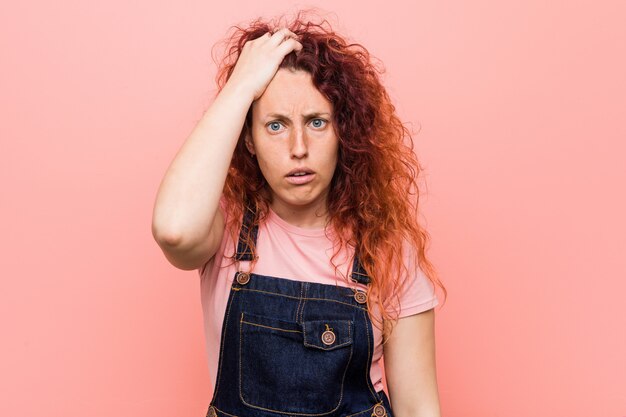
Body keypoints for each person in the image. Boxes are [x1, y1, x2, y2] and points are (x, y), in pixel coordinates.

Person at [152, 10, 447, 417]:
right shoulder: (225, 228)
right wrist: (240, 87)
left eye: (317, 121)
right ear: (248, 140)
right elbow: (173, 231)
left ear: (344, 133)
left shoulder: (387, 247)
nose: (298, 147)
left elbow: (418, 407)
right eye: (275, 125)